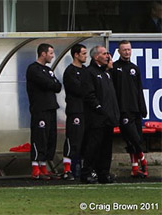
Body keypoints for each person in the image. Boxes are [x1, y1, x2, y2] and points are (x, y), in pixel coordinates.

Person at [81, 46, 119, 184]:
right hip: (96, 118)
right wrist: (99, 108)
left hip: (108, 118)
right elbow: (89, 95)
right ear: (96, 56)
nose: (108, 56)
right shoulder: (90, 72)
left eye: (108, 53)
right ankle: (87, 172)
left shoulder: (106, 73)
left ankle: (104, 173)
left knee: (106, 148)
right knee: (93, 146)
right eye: (104, 54)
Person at [112, 40, 148, 178]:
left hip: (135, 109)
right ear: (119, 51)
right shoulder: (114, 68)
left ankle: (134, 168)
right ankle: (143, 161)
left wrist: (142, 108)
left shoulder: (135, 68)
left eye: (129, 49)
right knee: (133, 138)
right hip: (123, 110)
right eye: (124, 50)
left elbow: (139, 89)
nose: (127, 52)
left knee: (136, 138)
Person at [26, 43, 62, 180]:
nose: (52, 56)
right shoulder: (33, 69)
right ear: (43, 53)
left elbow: (58, 86)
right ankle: (35, 168)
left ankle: (43, 166)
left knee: (50, 137)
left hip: (51, 107)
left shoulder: (48, 70)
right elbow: (48, 84)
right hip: (39, 109)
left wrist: (51, 83)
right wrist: (51, 83)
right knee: (39, 136)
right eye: (51, 53)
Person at [61, 44, 87, 180]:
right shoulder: (70, 71)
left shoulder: (86, 71)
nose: (85, 56)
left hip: (86, 110)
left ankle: (82, 168)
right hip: (75, 110)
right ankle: (67, 169)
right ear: (76, 55)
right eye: (83, 53)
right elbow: (79, 90)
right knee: (73, 138)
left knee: (84, 140)